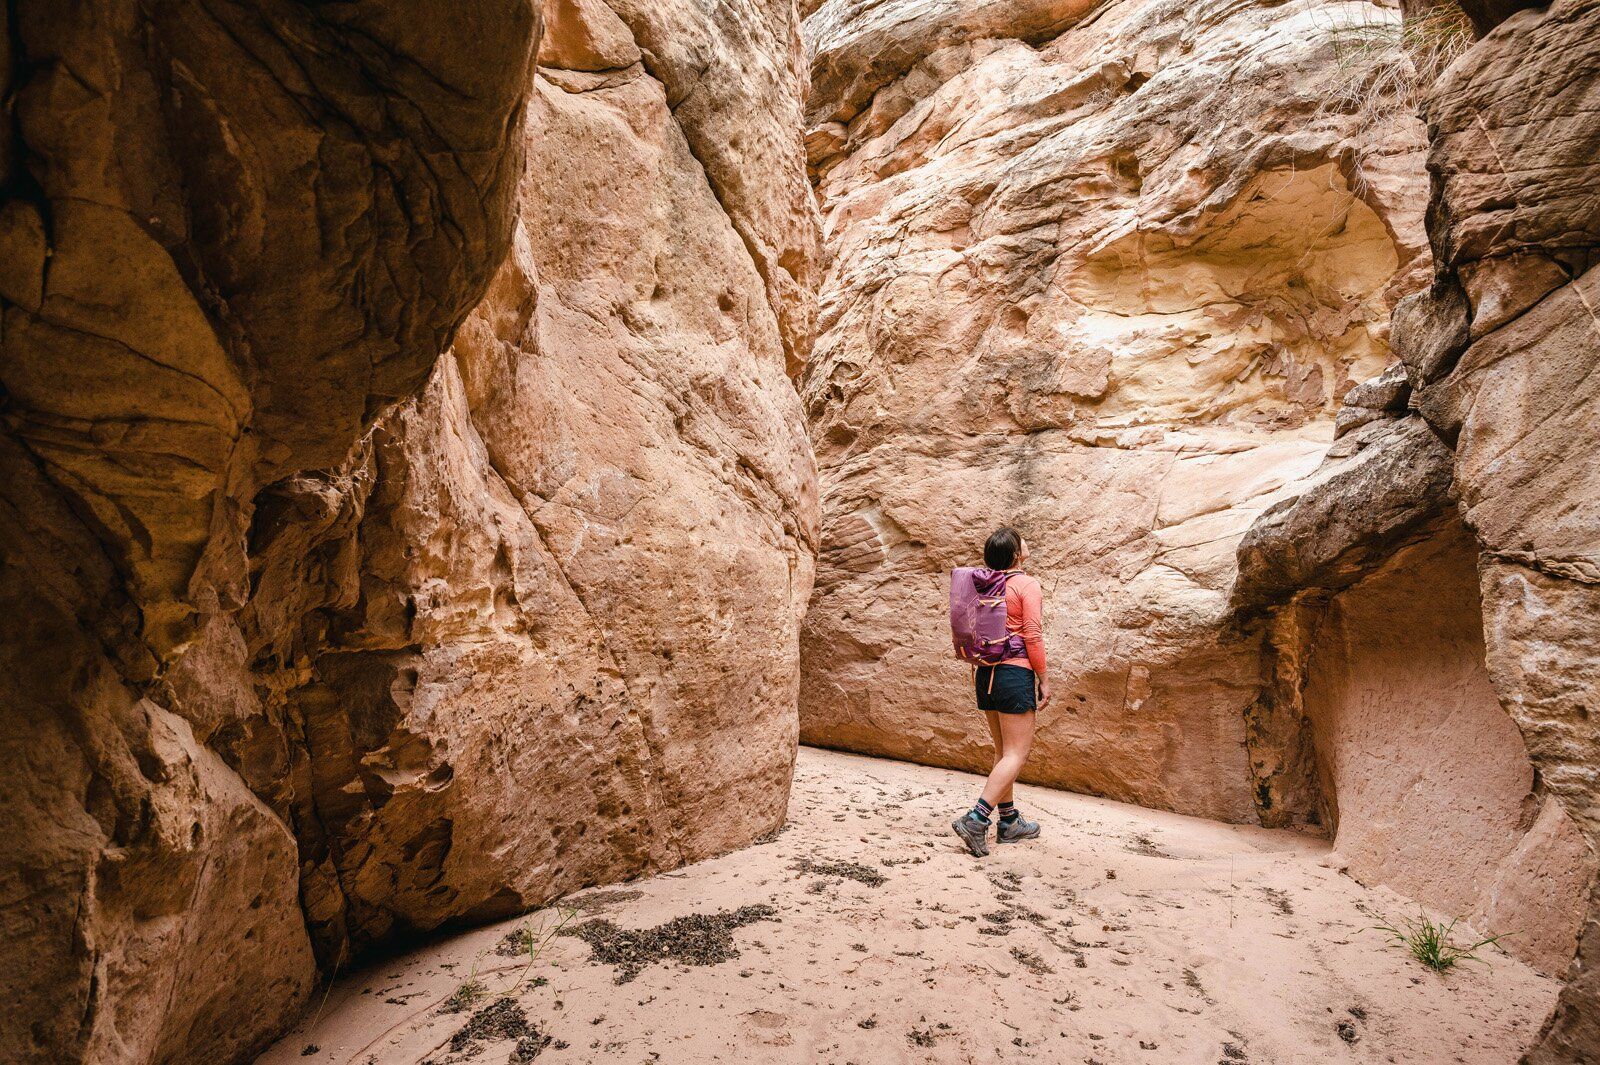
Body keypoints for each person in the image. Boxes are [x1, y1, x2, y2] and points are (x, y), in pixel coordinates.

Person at [952, 527, 1049, 857]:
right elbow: (1033, 636)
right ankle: (977, 818)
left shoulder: (984, 586)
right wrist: (1044, 678)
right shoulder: (1026, 584)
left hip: (986, 674)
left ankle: (1008, 822)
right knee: (1016, 754)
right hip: (1014, 673)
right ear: (1017, 555)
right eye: (1022, 541)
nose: (1027, 542)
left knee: (1003, 752)